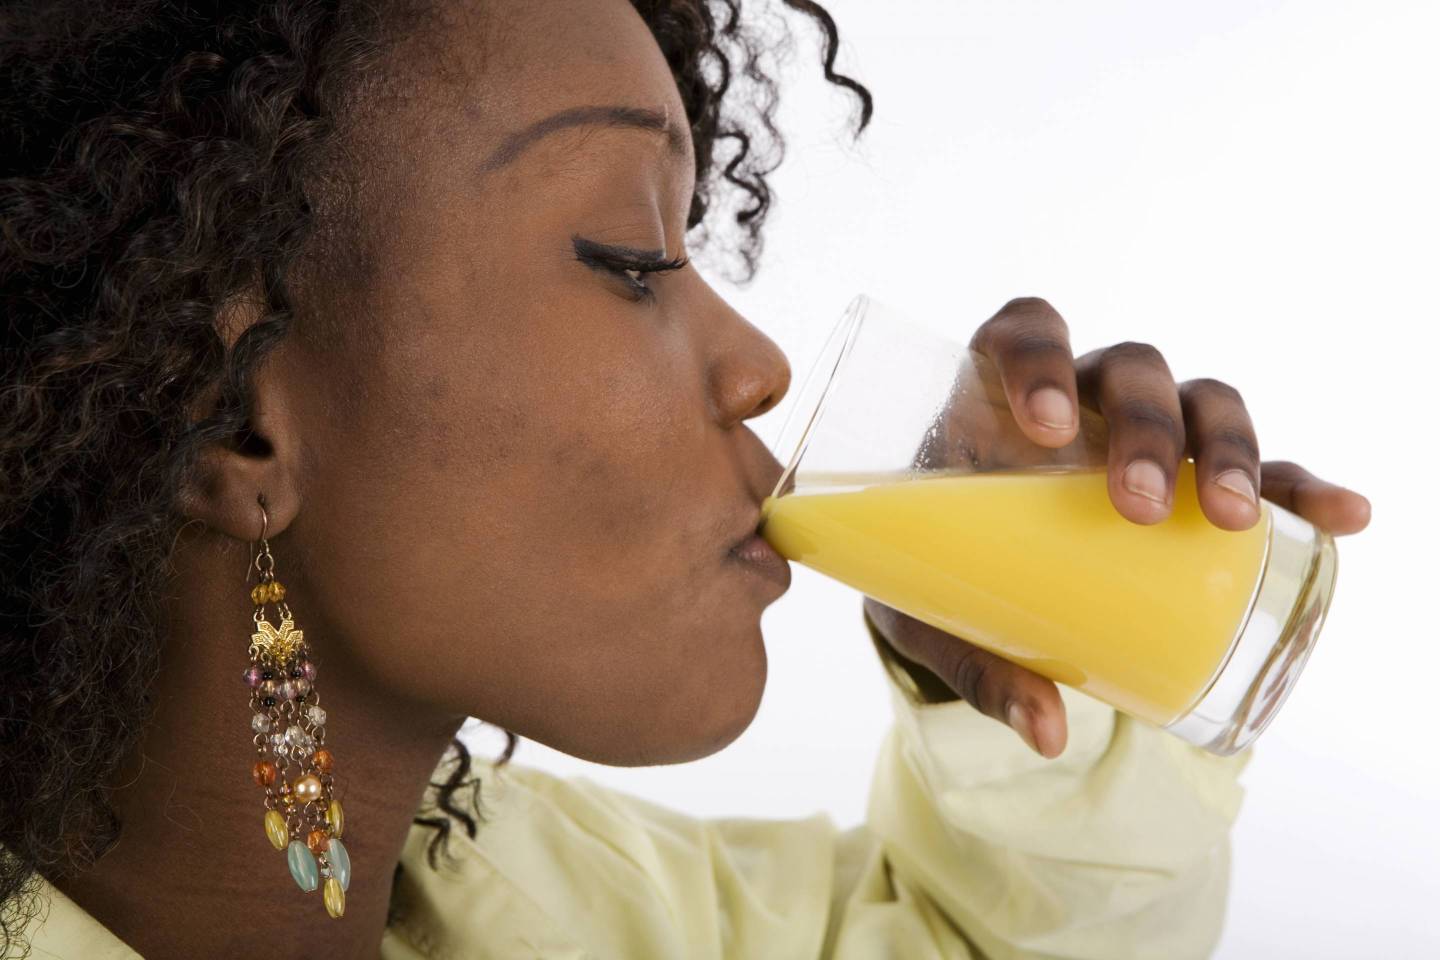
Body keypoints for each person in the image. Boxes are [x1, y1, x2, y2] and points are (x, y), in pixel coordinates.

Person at [0, 0, 1372, 957]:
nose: (762, 362)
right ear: (241, 422)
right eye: (630, 261)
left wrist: (1016, 683)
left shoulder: (576, 915)